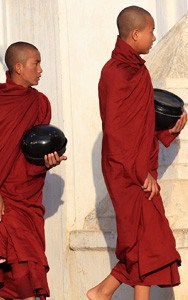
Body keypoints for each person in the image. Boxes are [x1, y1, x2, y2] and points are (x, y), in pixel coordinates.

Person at [87, 6, 187, 300]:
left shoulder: (137, 70)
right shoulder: (116, 73)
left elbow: (142, 124)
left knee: (147, 243)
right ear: (135, 34)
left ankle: (101, 292)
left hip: (139, 168)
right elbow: (117, 132)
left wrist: (172, 129)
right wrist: (139, 172)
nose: (154, 37)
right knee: (145, 241)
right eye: (151, 31)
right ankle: (101, 291)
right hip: (126, 171)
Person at [0, 41, 67, 300]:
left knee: (18, 279)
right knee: (23, 273)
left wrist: (46, 162)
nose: (41, 69)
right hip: (0, 200)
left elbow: (31, 152)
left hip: (27, 196)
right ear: (19, 68)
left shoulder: (40, 102)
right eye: (37, 63)